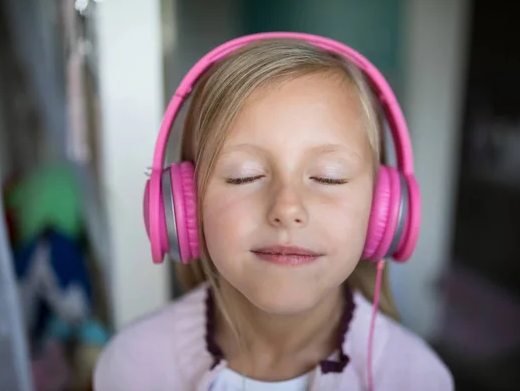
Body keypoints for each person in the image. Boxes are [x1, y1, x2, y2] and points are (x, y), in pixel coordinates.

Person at [94, 33, 453, 390]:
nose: (287, 209)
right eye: (244, 175)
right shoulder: (131, 367)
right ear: (184, 205)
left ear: (383, 212)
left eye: (329, 177)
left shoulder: (418, 379)